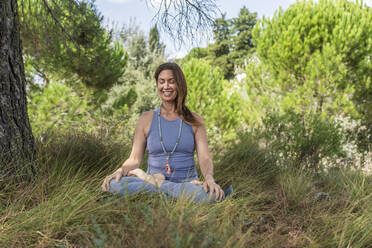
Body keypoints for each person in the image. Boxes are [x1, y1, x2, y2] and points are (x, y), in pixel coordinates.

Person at [101, 62, 232, 203]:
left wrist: (209, 179)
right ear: (157, 85)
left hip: (185, 182)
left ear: (179, 85)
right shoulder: (146, 119)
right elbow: (134, 158)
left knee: (210, 194)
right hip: (157, 183)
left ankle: (157, 187)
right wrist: (120, 170)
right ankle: (171, 193)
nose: (166, 86)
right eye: (161, 82)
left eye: (171, 81)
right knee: (113, 185)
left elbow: (205, 158)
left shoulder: (195, 120)